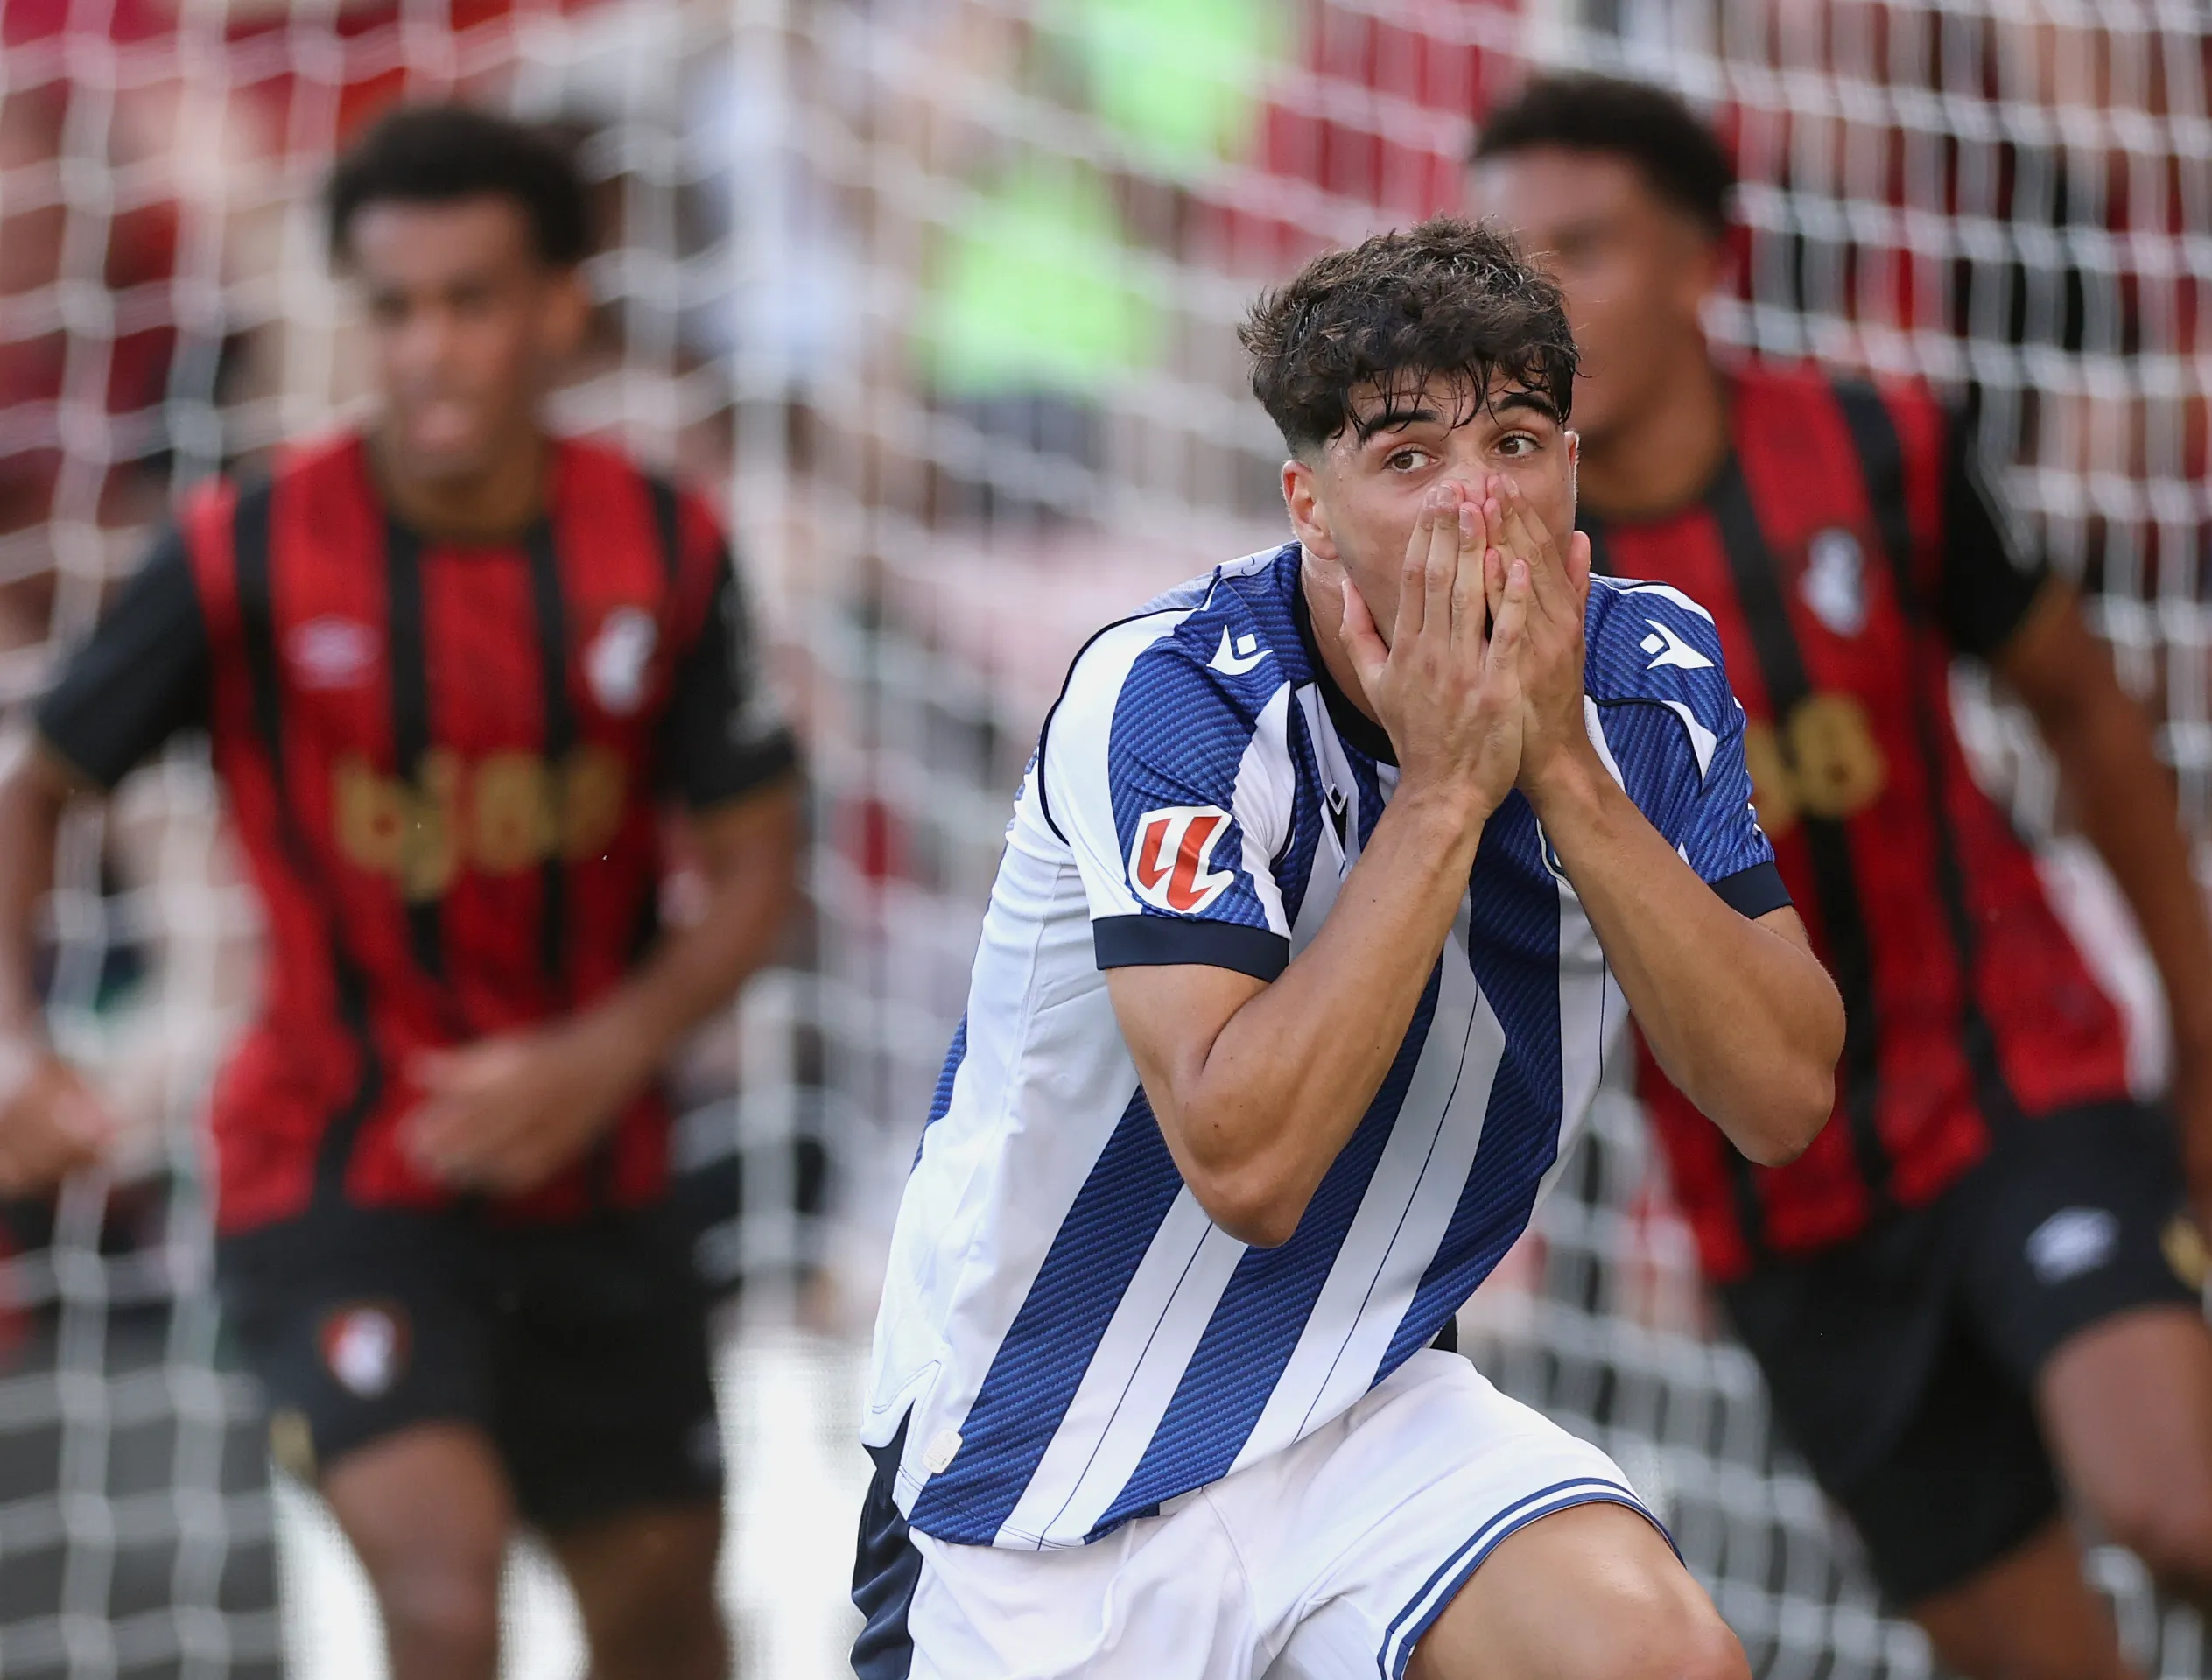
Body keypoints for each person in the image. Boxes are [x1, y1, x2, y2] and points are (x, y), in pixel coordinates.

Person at [1470, 73, 2212, 1680]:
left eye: (1583, 248)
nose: (1535, 304)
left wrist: (2210, 1030)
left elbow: (2087, 714)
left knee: (2182, 1515)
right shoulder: (1483, 574)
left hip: (2014, 1084)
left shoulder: (1871, 442)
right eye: (1503, 263)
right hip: (1778, 1196)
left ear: (1703, 259)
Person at [848, 216, 1843, 1679]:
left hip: (1357, 1411)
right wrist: (1447, 786)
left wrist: (1555, 758)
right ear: (1308, 507)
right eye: (1407, 460)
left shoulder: (1647, 682)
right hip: (1039, 1462)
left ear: (1572, 469)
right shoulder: (1169, 699)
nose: (1473, 507)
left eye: (1514, 442)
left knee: (1659, 1659)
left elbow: (1780, 1096)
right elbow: (1248, 1164)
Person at [0, 104, 802, 1680]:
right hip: (336, 1163)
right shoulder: (245, 550)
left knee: (662, 1627)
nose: (429, 349)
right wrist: (15, 1048)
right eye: (392, 308)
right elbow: (32, 790)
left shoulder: (663, 547)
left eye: (471, 300)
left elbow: (761, 866)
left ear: (563, 305)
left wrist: (601, 1053)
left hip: (599, 1169)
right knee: (442, 1608)